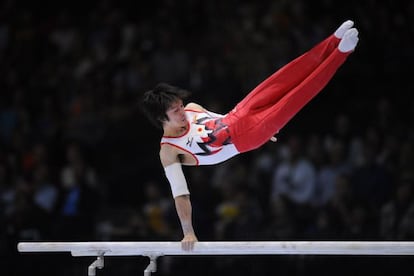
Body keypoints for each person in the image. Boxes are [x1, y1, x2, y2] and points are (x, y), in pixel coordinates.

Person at [140, 20, 359, 250]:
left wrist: (267, 131)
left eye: (181, 105)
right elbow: (181, 194)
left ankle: (331, 42)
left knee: (284, 78)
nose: (183, 112)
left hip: (241, 111)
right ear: (161, 119)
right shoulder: (169, 150)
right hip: (245, 137)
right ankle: (342, 53)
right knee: (298, 95)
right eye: (175, 111)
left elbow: (221, 120)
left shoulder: (193, 108)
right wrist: (188, 232)